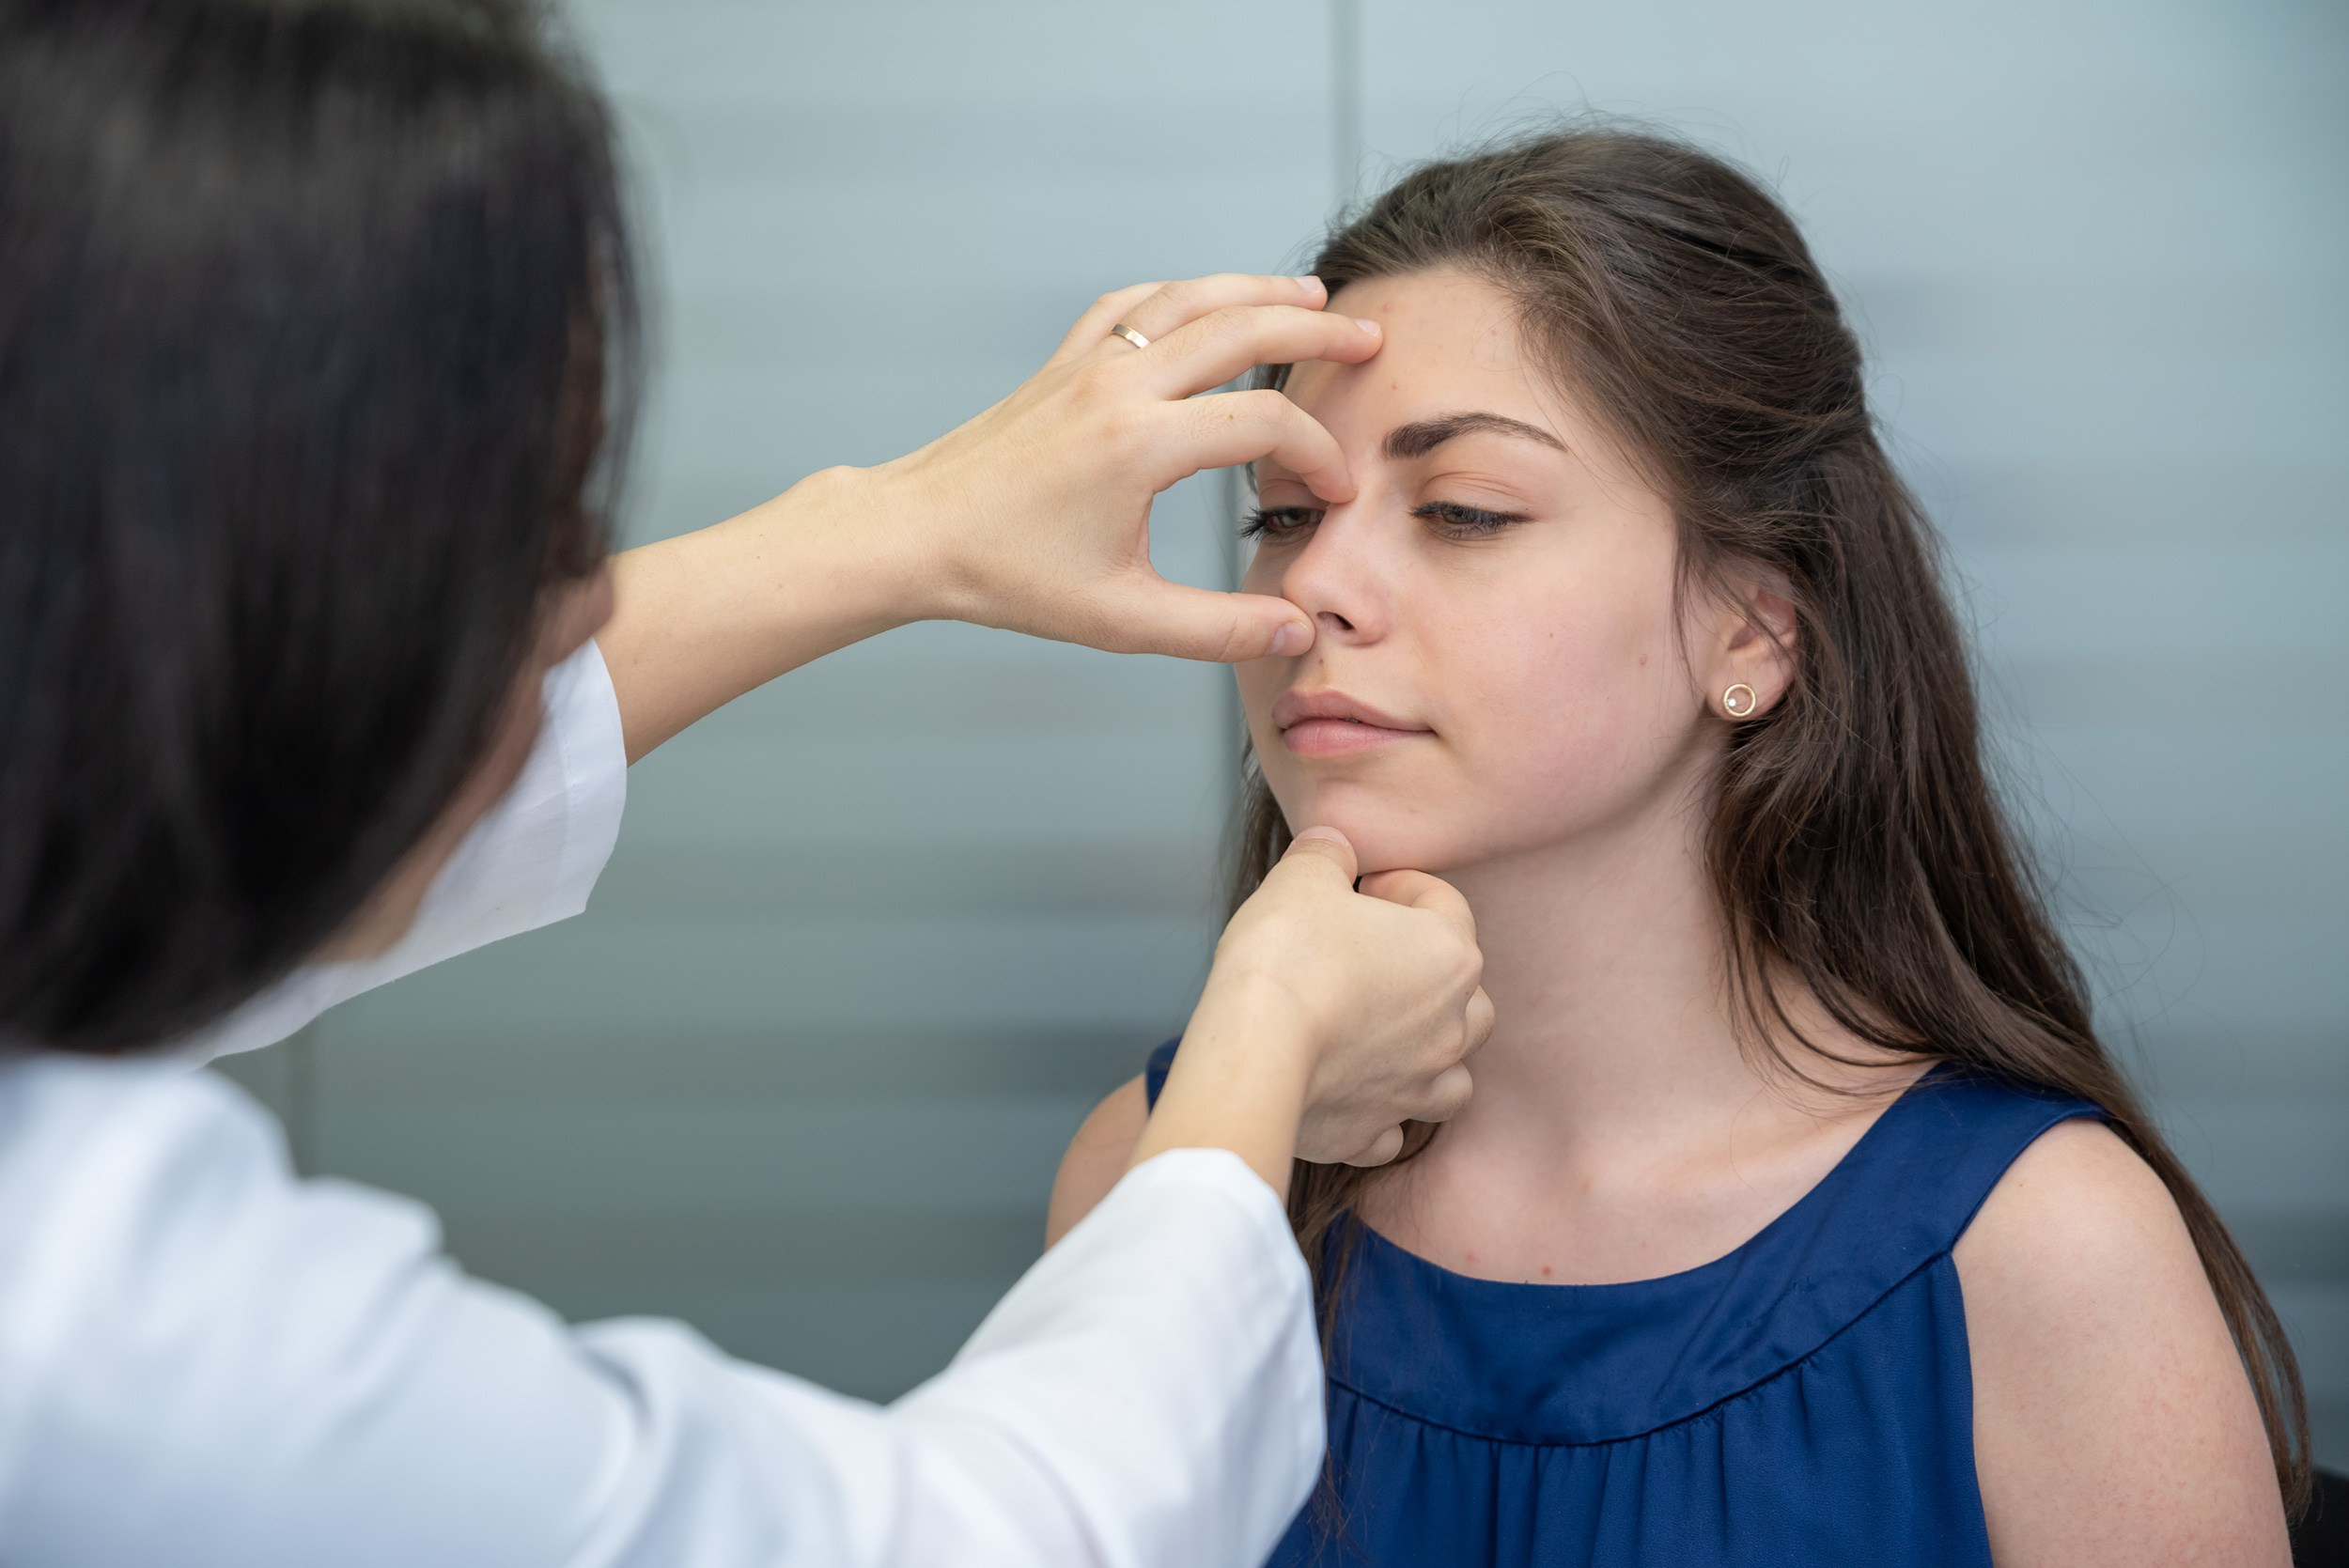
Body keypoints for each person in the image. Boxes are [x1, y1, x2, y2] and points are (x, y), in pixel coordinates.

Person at [0, 3, 1495, 1564]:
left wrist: (907, 526)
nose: (584, 606)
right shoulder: (97, 1329)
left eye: (1464, 508)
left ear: (1759, 629)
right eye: (530, 534)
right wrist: (1262, 1039)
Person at [1049, 129, 2309, 1566]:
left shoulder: (2044, 1255)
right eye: (1281, 515)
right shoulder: (1156, 1173)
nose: (1311, 589)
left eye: (1462, 509)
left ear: (1753, 629)